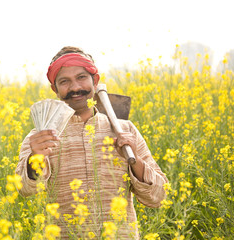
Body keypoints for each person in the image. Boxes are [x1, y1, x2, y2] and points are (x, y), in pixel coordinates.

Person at [15, 46, 168, 239]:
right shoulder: (40, 137)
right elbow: (24, 189)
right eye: (64, 82)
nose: (75, 88)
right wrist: (35, 158)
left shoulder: (124, 129)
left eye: (81, 78)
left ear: (95, 81)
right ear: (55, 89)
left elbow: (159, 197)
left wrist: (134, 160)